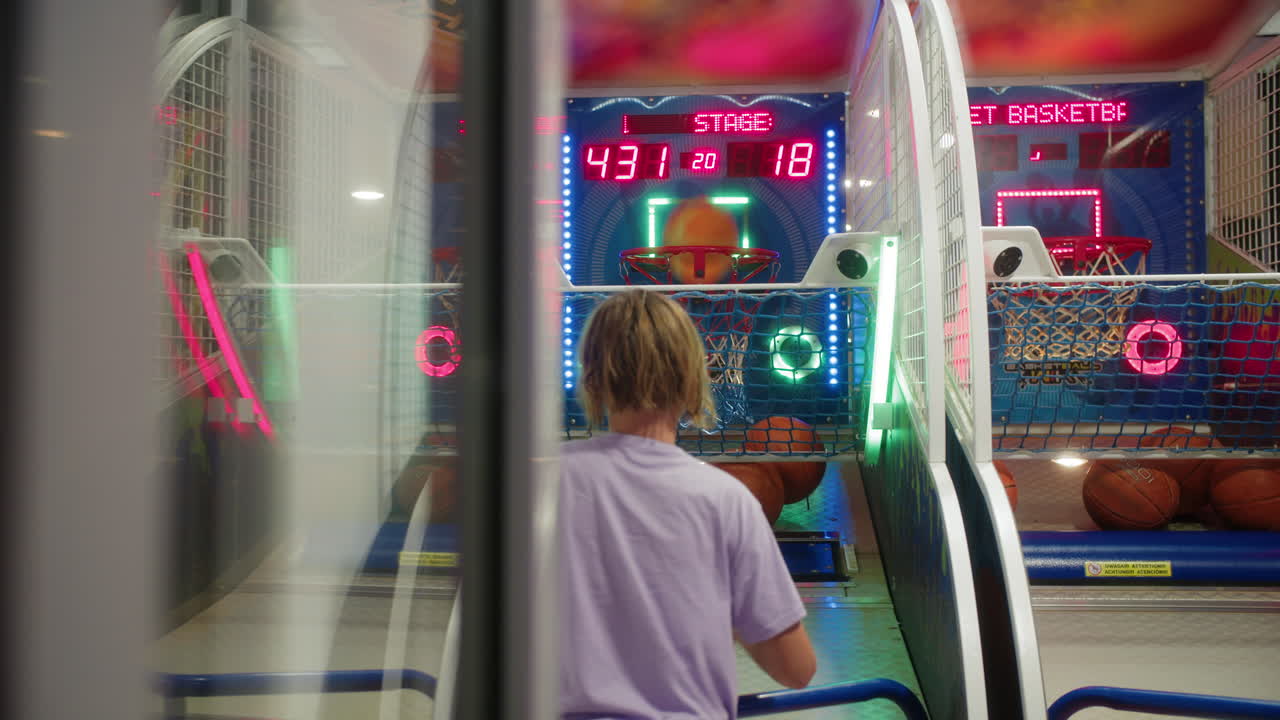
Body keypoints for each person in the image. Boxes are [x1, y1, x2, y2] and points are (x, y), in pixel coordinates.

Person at [560, 289, 816, 719]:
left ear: (592, 381)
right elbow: (797, 669)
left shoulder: (537, 484)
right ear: (693, 380)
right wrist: (724, 612)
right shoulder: (726, 500)